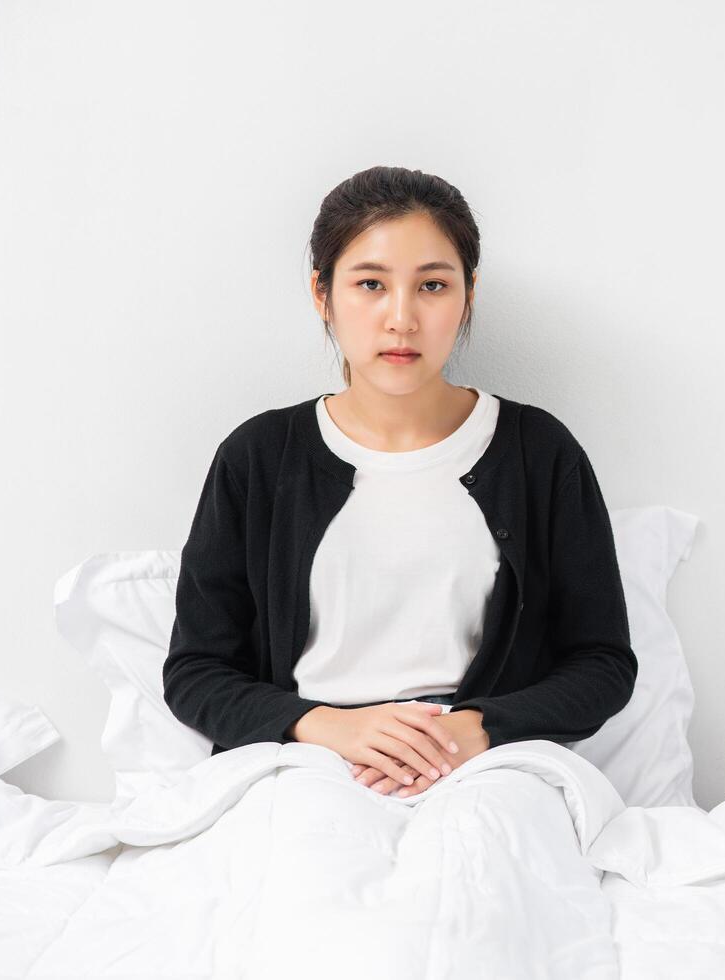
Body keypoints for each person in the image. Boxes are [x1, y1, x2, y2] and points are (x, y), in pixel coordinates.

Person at [162, 166, 636, 801]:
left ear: (469, 294)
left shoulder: (538, 451)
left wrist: (477, 729)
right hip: (306, 764)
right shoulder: (258, 457)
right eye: (370, 285)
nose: (402, 318)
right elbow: (196, 672)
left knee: (477, 890)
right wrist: (325, 727)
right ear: (322, 293)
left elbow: (602, 664)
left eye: (433, 285)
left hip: (485, 767)